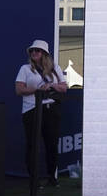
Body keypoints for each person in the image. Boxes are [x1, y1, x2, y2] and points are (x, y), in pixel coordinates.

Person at [15, 39, 68, 186]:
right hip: (31, 109)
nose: (33, 53)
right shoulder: (25, 69)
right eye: (32, 51)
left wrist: (51, 85)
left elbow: (64, 87)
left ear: (44, 54)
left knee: (52, 144)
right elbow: (19, 90)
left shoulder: (55, 68)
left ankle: (52, 177)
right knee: (32, 144)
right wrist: (37, 90)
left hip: (51, 109)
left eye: (37, 51)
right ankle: (34, 179)